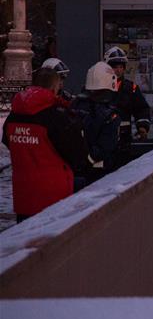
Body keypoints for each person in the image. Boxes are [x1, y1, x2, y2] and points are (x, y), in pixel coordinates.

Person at [3, 68, 90, 222]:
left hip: (23, 195)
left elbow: (7, 140)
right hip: (53, 196)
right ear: (53, 89)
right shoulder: (56, 116)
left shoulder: (14, 114)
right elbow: (77, 154)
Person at [71, 62, 123, 175]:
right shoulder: (110, 115)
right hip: (99, 172)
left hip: (74, 168)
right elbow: (104, 148)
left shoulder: (76, 104)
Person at [104, 46, 151, 163]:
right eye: (115, 67)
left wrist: (142, 127)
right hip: (102, 139)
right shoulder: (98, 86)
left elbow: (141, 109)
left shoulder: (131, 88)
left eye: (121, 67)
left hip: (123, 142)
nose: (118, 70)